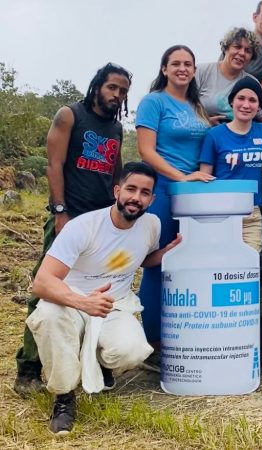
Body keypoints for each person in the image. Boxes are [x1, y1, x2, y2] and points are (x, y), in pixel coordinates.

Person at [26, 162, 180, 435]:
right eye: (131, 189)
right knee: (48, 317)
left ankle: (99, 362)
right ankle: (64, 398)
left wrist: (168, 252)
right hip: (69, 301)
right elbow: (42, 282)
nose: (136, 197)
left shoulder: (151, 225)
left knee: (133, 350)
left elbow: (142, 259)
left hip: (115, 305)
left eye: (145, 193)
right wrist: (83, 303)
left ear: (152, 199)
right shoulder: (84, 227)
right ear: (117, 190)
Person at [14, 62, 132, 395]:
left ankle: (95, 362)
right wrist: (60, 211)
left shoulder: (116, 129)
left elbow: (116, 172)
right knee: (47, 288)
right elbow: (54, 164)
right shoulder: (70, 115)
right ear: (98, 86)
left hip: (101, 222)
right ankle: (28, 368)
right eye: (112, 87)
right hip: (71, 215)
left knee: (99, 289)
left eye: (123, 91)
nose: (117, 95)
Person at [136, 45, 213, 345]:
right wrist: (182, 178)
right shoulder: (154, 102)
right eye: (175, 63)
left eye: (188, 64)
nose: (182, 68)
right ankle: (152, 343)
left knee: (188, 264)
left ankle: (183, 336)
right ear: (164, 69)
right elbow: (146, 150)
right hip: (165, 191)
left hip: (196, 197)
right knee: (158, 263)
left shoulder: (198, 107)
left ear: (194, 71)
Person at [199, 76, 262, 253]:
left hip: (251, 213)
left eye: (252, 100)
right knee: (222, 265)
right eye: (241, 98)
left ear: (259, 107)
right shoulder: (214, 135)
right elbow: (204, 177)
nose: (246, 105)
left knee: (250, 266)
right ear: (232, 101)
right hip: (222, 211)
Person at [196, 27, 262, 126]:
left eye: (248, 51)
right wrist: (204, 121)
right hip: (198, 134)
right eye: (237, 47)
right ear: (226, 48)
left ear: (252, 57)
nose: (242, 53)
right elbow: (180, 104)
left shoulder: (251, 82)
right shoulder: (201, 71)